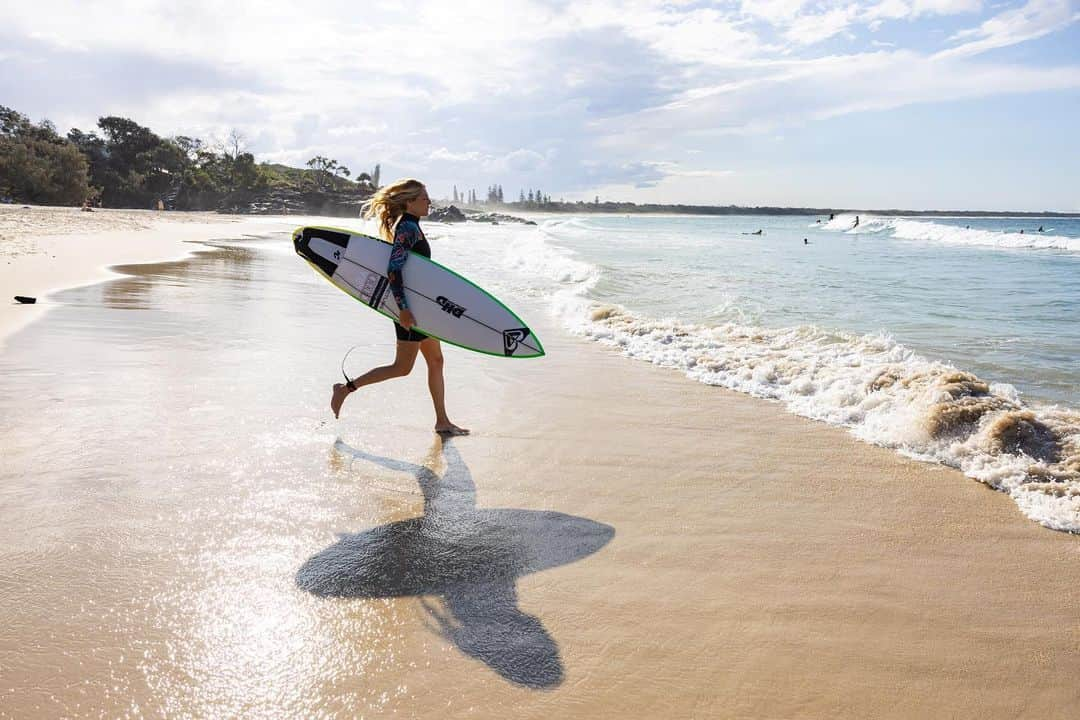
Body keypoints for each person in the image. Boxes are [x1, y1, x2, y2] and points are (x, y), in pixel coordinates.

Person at [330, 179, 469, 436]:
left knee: (436, 361)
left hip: (421, 308)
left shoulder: (412, 225)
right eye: (424, 198)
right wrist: (404, 309)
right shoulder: (406, 227)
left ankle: (442, 421)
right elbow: (393, 269)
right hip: (409, 309)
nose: (429, 202)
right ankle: (344, 389)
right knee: (402, 368)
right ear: (409, 202)